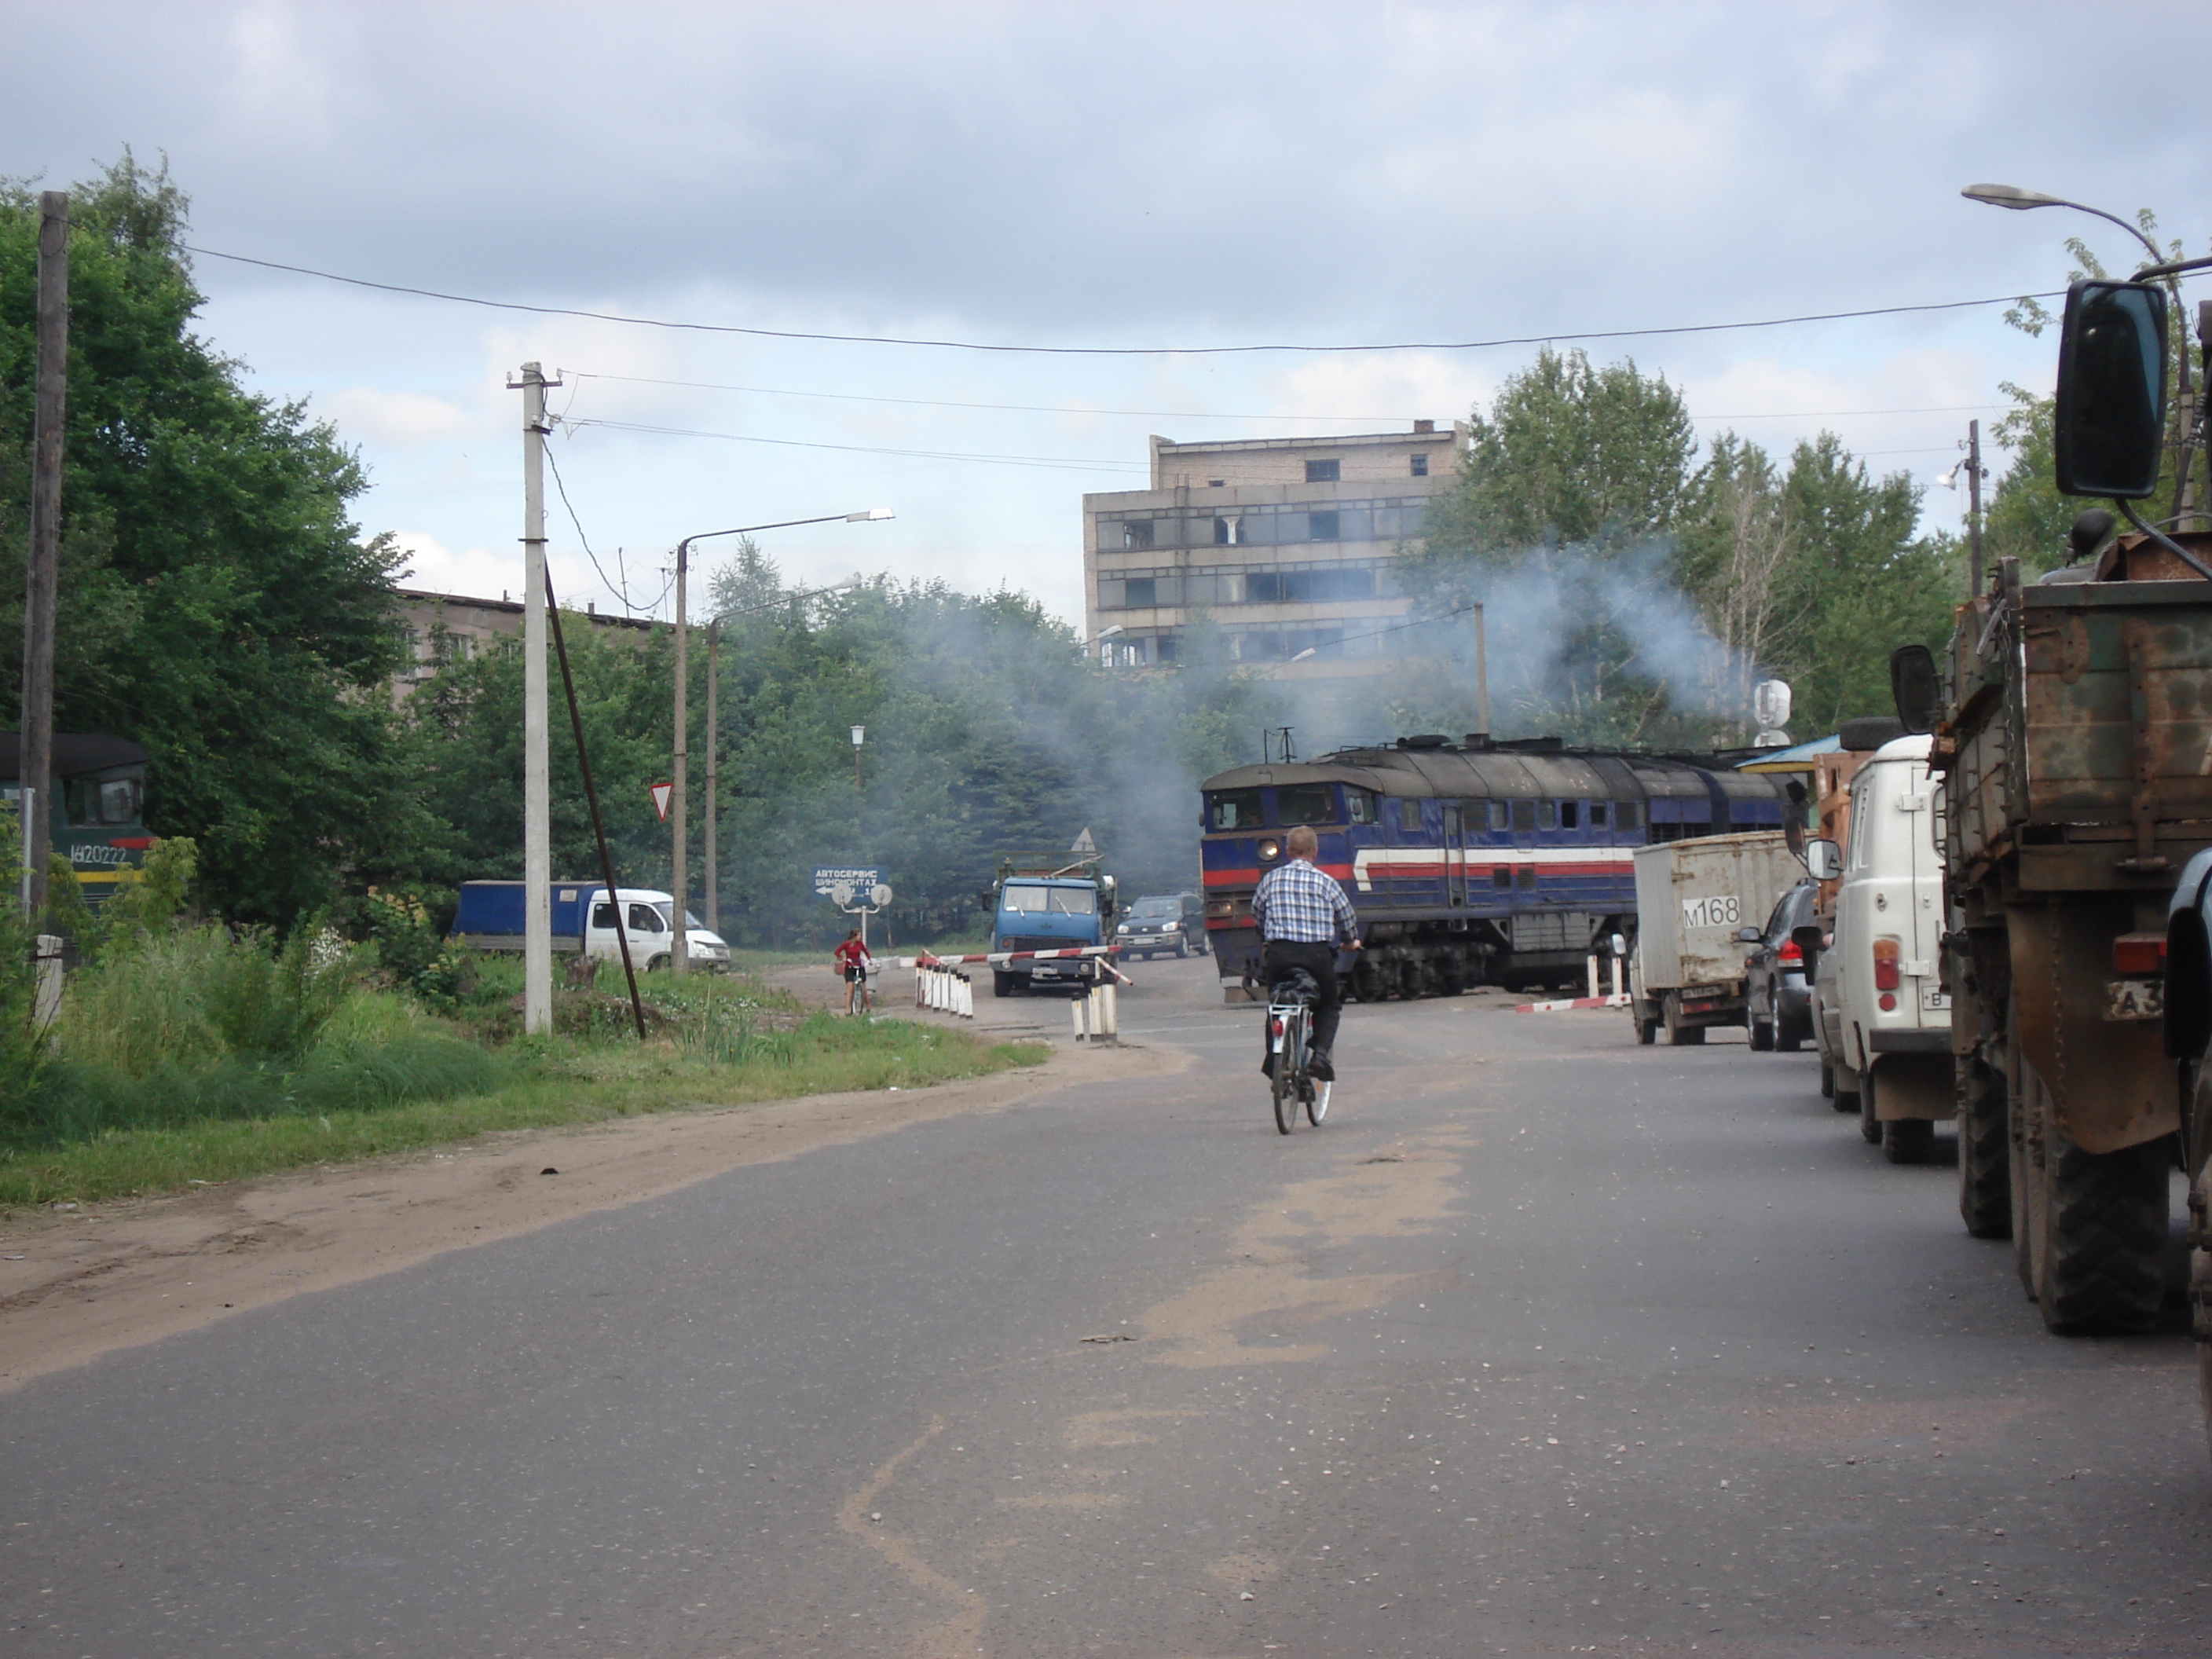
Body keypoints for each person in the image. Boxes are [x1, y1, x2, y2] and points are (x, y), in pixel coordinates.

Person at [1251, 823, 1361, 1081]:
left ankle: (1274, 1057)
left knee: (1277, 1003)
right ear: (1315, 851)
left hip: (1280, 954)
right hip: (1316, 955)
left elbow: (1257, 912)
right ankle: (1320, 1056)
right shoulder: (1326, 882)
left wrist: (1266, 936)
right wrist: (1349, 941)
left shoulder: (1271, 879)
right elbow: (1346, 916)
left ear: (1288, 851)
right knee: (1328, 1005)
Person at [833, 927, 873, 1012]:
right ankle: (847, 1008)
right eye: (859, 935)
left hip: (859, 965)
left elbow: (866, 952)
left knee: (863, 985)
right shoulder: (846, 944)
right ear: (854, 936)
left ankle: (868, 1005)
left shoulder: (860, 944)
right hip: (850, 966)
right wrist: (842, 958)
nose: (860, 937)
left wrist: (869, 960)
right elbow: (837, 952)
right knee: (850, 987)